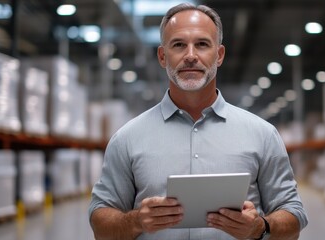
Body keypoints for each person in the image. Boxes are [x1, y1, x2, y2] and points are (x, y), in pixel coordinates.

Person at [89, 3, 308, 240]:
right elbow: (100, 222)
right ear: (163, 56)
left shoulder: (263, 135)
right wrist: (135, 221)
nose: (190, 56)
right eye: (179, 45)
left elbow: (294, 216)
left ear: (219, 55)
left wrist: (260, 227)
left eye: (202, 44)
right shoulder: (127, 139)